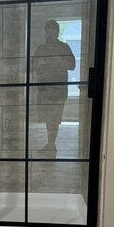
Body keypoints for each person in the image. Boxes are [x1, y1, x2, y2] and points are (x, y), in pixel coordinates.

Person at [31, 20, 76, 156]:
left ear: (57, 32)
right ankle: (50, 144)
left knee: (54, 119)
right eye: (47, 30)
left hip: (58, 91)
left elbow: (72, 65)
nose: (49, 33)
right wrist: (40, 64)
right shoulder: (40, 49)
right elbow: (32, 67)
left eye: (52, 30)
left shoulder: (64, 47)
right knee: (47, 118)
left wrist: (58, 60)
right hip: (44, 90)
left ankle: (51, 144)